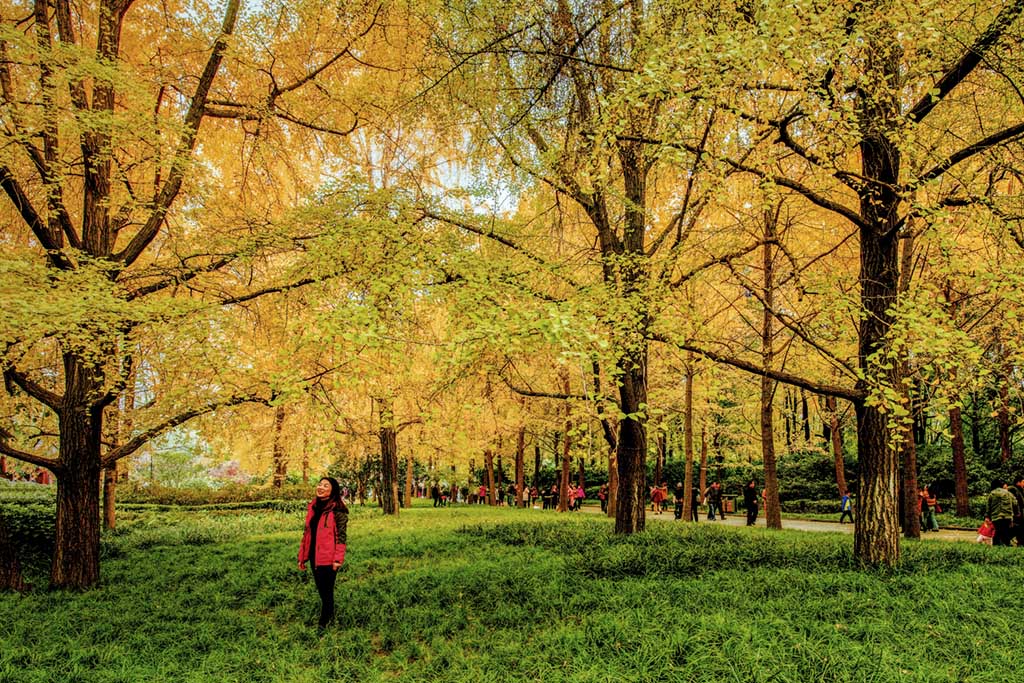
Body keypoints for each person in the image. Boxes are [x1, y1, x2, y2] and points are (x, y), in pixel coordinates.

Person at [298, 477, 349, 630]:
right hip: (314, 556)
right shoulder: (313, 507)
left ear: (332, 490)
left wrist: (338, 559)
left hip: (329, 558)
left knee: (326, 590)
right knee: (322, 589)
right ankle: (329, 613)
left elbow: (341, 537)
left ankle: (323, 622)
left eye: (325, 485)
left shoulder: (338, 510)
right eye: (319, 484)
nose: (320, 487)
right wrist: (302, 557)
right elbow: (307, 534)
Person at [986, 479, 1016, 547]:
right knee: (1006, 531)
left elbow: (988, 506)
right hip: (1007, 516)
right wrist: (1015, 513)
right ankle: (1007, 546)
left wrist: (987, 516)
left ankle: (996, 547)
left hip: (996, 517)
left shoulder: (992, 494)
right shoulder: (1008, 493)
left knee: (997, 532)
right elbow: (1015, 503)